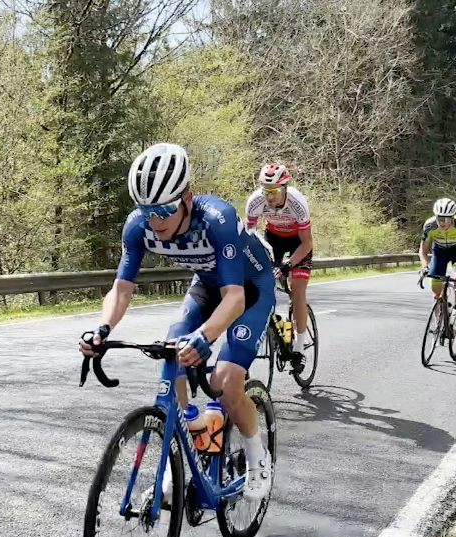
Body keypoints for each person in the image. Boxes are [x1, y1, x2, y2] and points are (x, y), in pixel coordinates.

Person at [78, 142, 273, 502]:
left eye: (165, 210)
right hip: (207, 285)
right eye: (147, 211)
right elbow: (121, 290)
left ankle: (257, 456)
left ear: (186, 197)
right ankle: (188, 433)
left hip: (249, 290)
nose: (156, 221)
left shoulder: (217, 218)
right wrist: (101, 328)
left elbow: (235, 298)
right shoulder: (139, 227)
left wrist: (204, 336)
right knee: (172, 346)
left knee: (227, 381)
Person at [246, 163, 312, 371]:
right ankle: (276, 325)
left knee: (297, 290)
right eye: (266, 191)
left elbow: (307, 243)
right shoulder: (255, 201)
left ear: (284, 187)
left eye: (274, 191)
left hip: (298, 243)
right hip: (272, 239)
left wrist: (287, 264)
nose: (269, 197)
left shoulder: (297, 203)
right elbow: (248, 237)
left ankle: (299, 349)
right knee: (261, 282)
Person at [419, 198, 456, 302]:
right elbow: (422, 250)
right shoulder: (429, 226)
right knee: (436, 291)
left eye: (445, 219)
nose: (441, 222)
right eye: (439, 218)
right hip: (439, 251)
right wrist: (424, 266)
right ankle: (439, 314)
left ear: (452, 218)